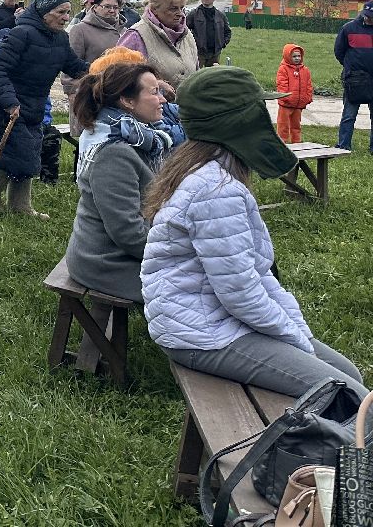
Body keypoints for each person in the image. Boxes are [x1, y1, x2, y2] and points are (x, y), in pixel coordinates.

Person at [141, 67, 369, 400]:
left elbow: (255, 277)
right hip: (200, 334)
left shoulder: (208, 170)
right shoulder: (216, 190)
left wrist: (297, 332)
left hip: (213, 318)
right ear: (240, 121)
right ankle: (332, 451)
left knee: (349, 375)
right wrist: (293, 337)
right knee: (343, 393)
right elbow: (240, 293)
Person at [0, 0, 89, 219]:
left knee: (28, 155)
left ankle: (20, 205)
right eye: (61, 12)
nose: (66, 18)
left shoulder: (60, 39)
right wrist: (9, 101)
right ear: (44, 12)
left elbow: (75, 67)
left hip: (34, 106)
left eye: (68, 12)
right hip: (7, 107)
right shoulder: (21, 34)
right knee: (12, 153)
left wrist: (103, 70)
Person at [65, 58, 168, 303]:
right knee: (210, 285)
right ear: (128, 101)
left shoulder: (136, 136)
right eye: (154, 92)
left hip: (112, 253)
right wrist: (177, 251)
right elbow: (129, 235)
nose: (163, 99)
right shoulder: (115, 153)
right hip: (107, 263)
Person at [63, 0, 125, 136]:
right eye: (107, 6)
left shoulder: (125, 31)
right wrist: (72, 91)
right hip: (90, 92)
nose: (112, 10)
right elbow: (71, 63)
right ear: (95, 7)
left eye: (115, 7)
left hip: (119, 92)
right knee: (89, 136)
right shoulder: (80, 30)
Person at [118, 0, 199, 91]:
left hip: (188, 105)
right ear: (155, 9)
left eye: (182, 8)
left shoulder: (186, 34)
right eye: (173, 9)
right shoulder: (136, 36)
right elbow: (118, 79)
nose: (180, 14)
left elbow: (196, 70)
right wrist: (156, 85)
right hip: (151, 106)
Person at [334, 0, 373, 152]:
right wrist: (351, 67)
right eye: (367, 15)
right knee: (349, 115)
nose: (369, 19)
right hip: (354, 79)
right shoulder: (348, 28)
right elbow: (339, 51)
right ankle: (343, 145)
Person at [276, 43, 313, 142]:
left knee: (296, 126)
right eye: (294, 56)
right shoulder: (283, 69)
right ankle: (282, 145)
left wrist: (308, 98)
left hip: (298, 105)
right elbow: (281, 84)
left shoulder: (305, 70)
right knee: (283, 126)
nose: (297, 58)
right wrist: (285, 97)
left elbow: (309, 85)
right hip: (286, 104)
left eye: (299, 56)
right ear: (288, 56)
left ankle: (297, 145)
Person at [188, 0, 232, 68]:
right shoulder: (193, 14)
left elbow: (227, 31)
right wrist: (192, 44)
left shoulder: (220, 15)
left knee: (212, 77)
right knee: (197, 75)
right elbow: (184, 30)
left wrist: (223, 43)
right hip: (198, 52)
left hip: (214, 53)